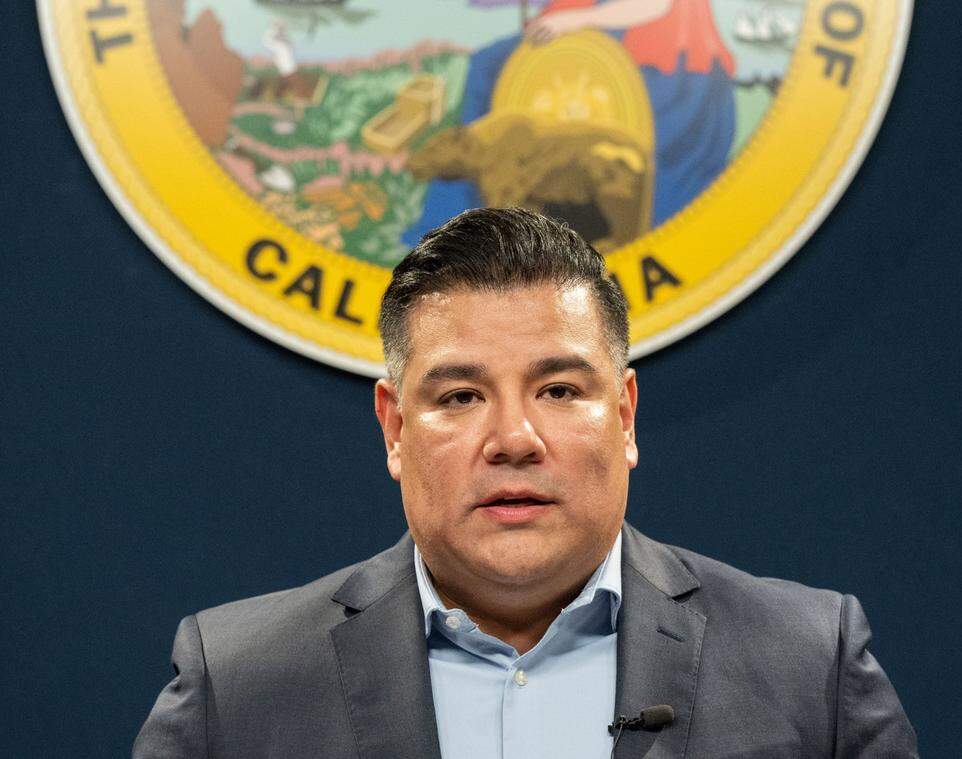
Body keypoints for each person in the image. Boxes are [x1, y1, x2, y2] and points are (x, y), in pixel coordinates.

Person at [134, 207, 918, 758]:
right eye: (460, 396)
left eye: (559, 390)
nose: (514, 439)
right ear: (395, 428)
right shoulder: (237, 689)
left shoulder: (808, 667)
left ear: (625, 415)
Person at [403, 0, 737, 245]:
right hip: (583, 21)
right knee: (487, 65)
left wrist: (577, 20)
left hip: (651, 41)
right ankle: (460, 224)